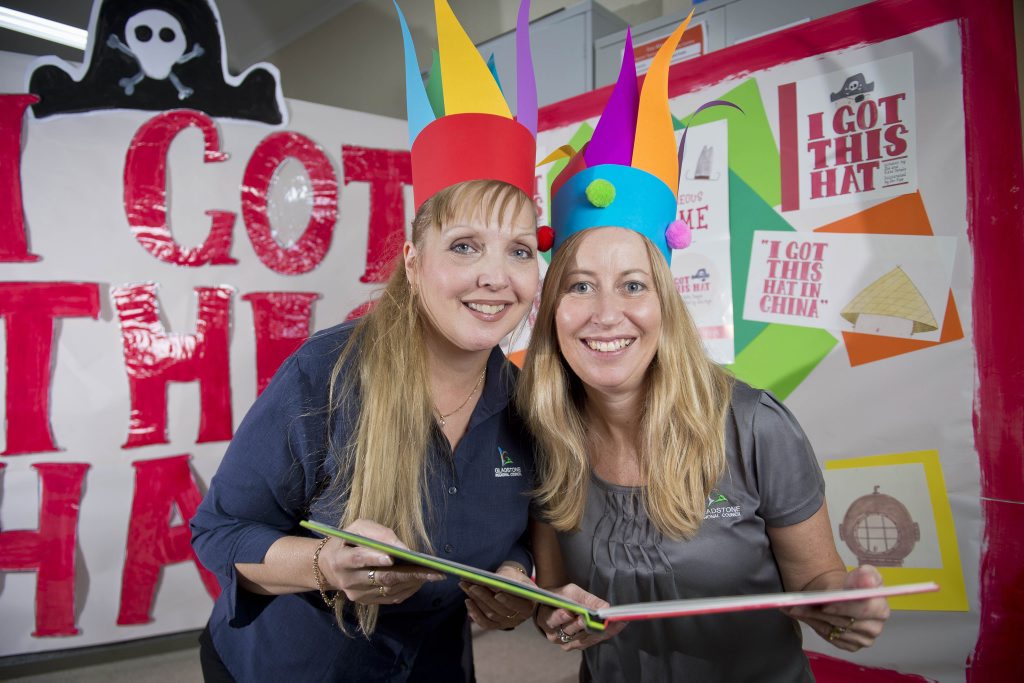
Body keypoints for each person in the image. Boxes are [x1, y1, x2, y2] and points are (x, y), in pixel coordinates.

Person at [516, 15, 890, 681]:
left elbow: (816, 583)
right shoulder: (546, 432)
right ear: (553, 311)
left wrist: (840, 606)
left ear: (665, 303)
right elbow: (553, 594)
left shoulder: (754, 427)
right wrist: (556, 612)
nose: (606, 314)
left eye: (633, 285)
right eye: (580, 285)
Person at [190, 2, 541, 680]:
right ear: (413, 261)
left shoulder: (528, 402)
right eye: (464, 245)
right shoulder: (326, 372)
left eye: (519, 250)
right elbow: (221, 530)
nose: (496, 278)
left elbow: (521, 534)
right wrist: (324, 563)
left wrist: (513, 576)